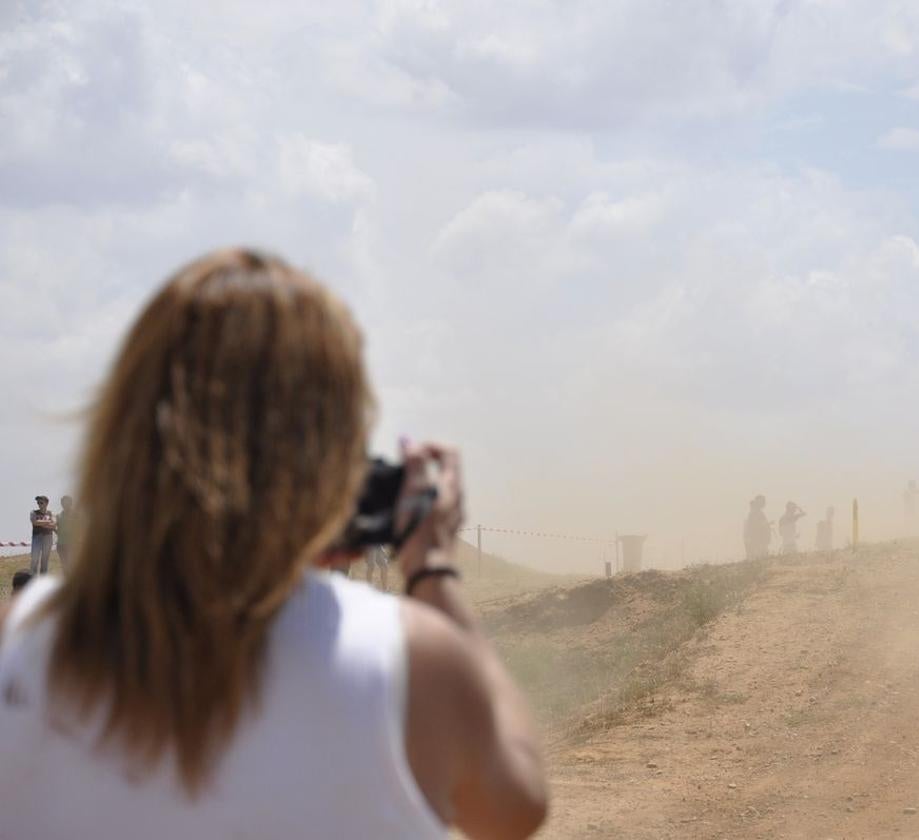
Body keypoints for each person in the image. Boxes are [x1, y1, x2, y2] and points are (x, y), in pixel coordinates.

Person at [0, 249, 547, 839]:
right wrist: (433, 568)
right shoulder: (410, 659)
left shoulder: (22, 642)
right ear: (333, 452)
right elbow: (514, 808)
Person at [29, 495, 55, 576]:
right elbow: (34, 522)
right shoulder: (33, 512)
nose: (39, 504)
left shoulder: (50, 513)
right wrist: (48, 522)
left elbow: (53, 524)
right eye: (38, 502)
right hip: (37, 537)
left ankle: (43, 580)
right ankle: (32, 580)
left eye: (41, 502)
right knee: (35, 559)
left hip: (48, 537)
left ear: (46, 503)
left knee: (45, 560)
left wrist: (40, 523)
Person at [743, 495, 770, 560]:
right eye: (763, 501)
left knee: (758, 557)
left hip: (758, 540)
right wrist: (765, 524)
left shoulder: (757, 512)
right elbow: (753, 526)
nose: (764, 503)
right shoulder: (754, 513)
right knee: (758, 558)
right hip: (756, 540)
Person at [56, 495, 76, 572]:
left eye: (67, 502)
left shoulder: (76, 515)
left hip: (72, 544)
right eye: (63, 502)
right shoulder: (58, 516)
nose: (64, 504)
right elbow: (58, 530)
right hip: (61, 544)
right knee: (64, 565)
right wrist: (53, 529)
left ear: (71, 503)